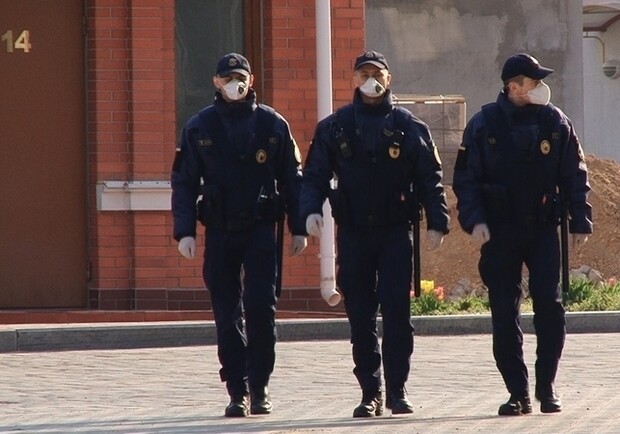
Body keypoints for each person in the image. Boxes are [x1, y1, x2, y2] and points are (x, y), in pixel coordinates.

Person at [300, 50, 450, 417]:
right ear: (354, 79)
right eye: (364, 73)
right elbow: (314, 175)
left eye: (377, 74)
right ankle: (371, 391)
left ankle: (397, 389)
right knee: (360, 314)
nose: (371, 80)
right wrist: (309, 212)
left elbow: (429, 178)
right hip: (354, 233)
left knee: (397, 312)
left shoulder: (409, 126)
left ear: (389, 79)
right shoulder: (335, 127)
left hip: (395, 232)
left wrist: (438, 220)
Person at [452, 53, 592, 416]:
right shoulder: (484, 124)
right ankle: (518, 392)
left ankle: (547, 387)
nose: (541, 87)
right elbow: (466, 180)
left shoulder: (555, 122)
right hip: (500, 231)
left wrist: (580, 219)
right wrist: (474, 220)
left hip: (543, 229)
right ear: (513, 86)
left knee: (550, 308)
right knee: (504, 311)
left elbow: (574, 173)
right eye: (534, 82)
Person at [171, 53, 308, 417]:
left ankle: (260, 386)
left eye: (241, 77)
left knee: (261, 308)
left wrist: (299, 227)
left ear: (252, 80)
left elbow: (292, 179)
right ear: (216, 82)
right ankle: (237, 389)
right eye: (228, 78)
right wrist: (184, 231)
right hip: (220, 232)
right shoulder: (199, 127)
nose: (236, 84)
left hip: (261, 231)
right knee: (226, 312)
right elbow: (184, 182)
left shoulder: (272, 124)